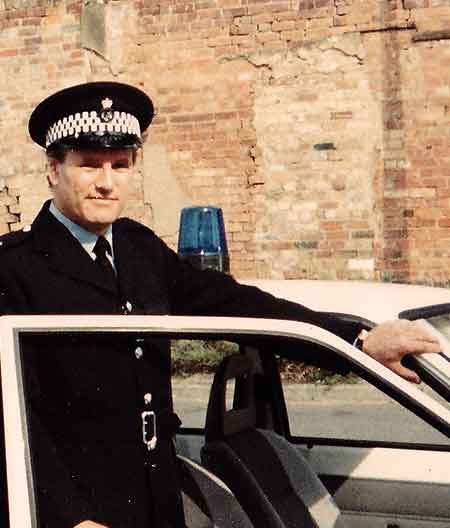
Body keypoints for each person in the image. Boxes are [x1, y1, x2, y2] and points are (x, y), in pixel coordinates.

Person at [0, 82, 440, 528]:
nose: (107, 182)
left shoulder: (137, 248)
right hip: (74, 511)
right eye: (89, 165)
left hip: (156, 494)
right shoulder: (15, 269)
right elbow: (12, 415)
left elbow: (235, 305)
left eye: (121, 164)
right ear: (54, 169)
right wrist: (70, 517)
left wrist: (356, 341)